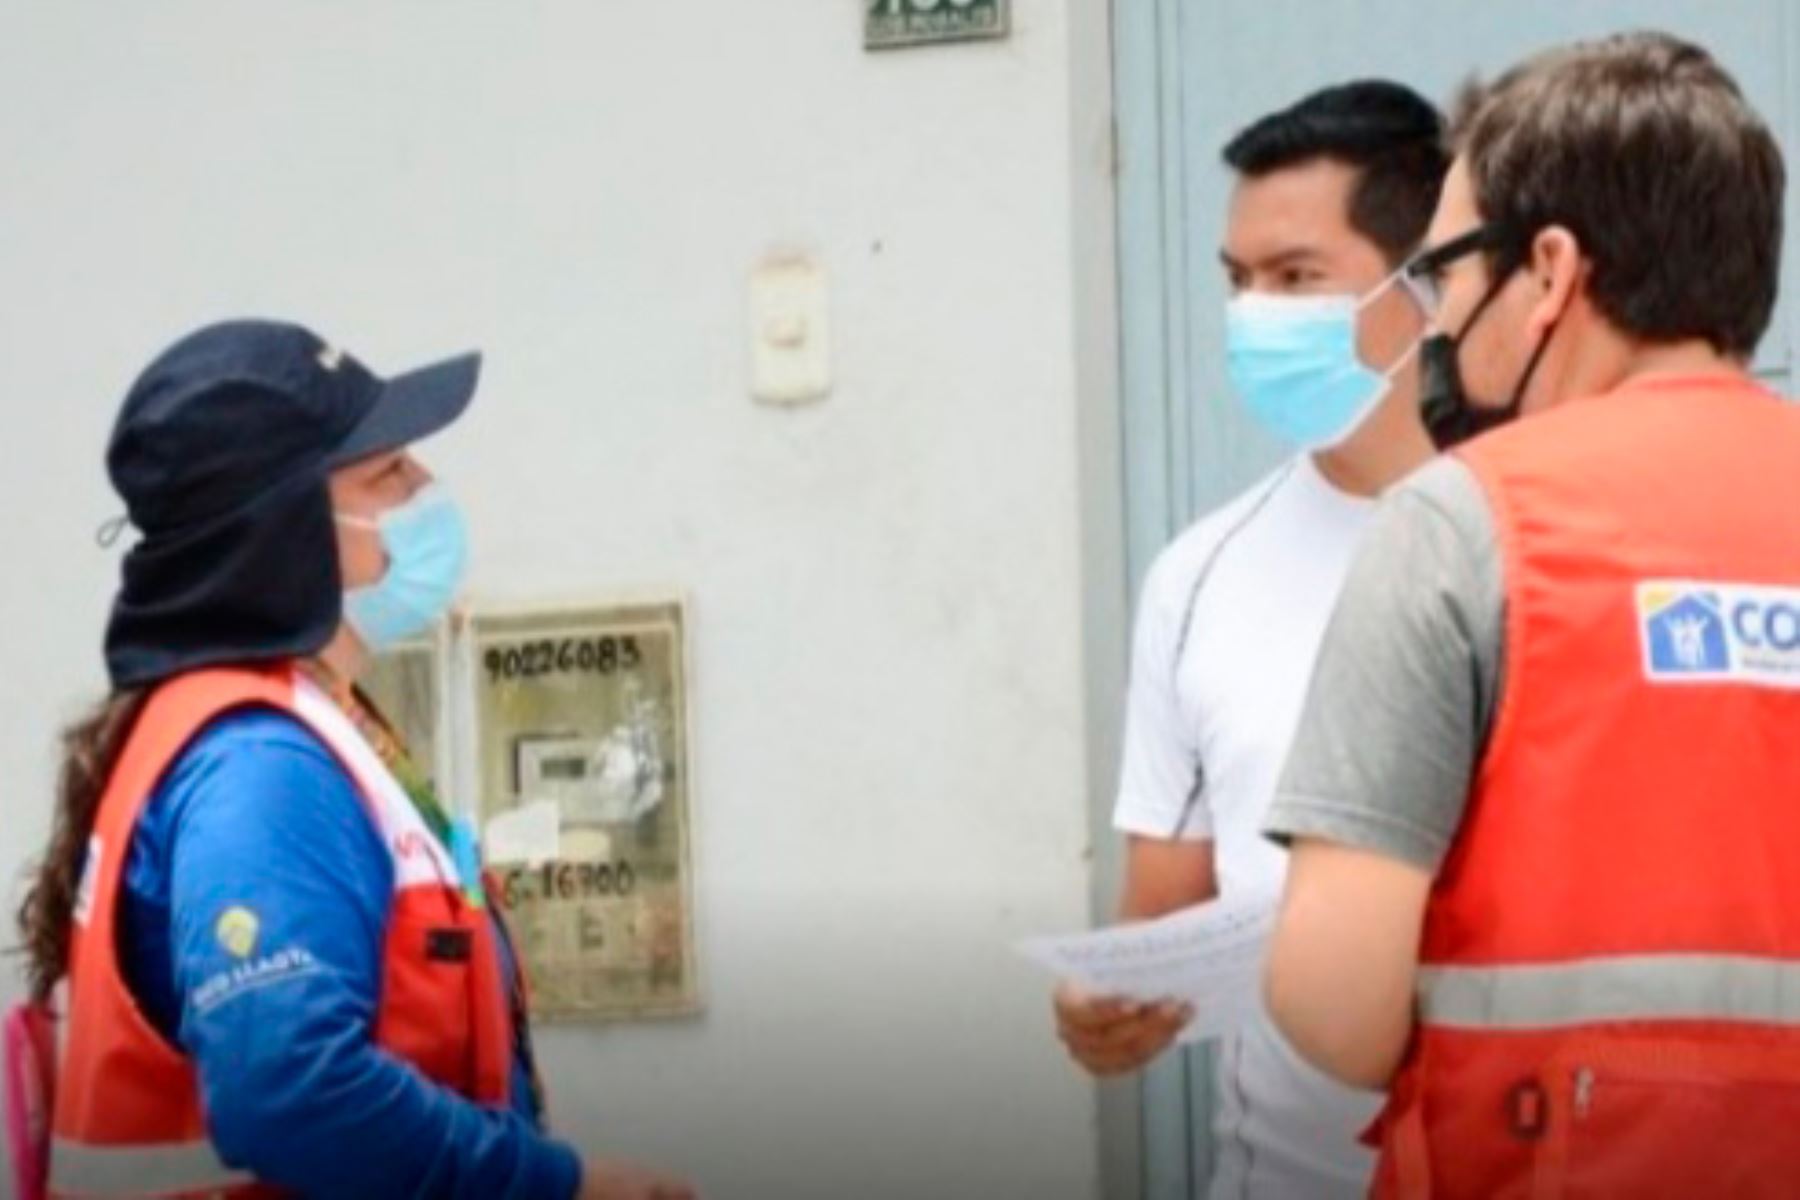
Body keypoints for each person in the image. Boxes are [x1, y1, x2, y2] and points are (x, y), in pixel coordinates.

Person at [1262, 31, 1800, 1198]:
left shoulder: (1461, 526)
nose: (1439, 328)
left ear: (1550, 273)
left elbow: (1332, 1008)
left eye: (1449, 276)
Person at [13, 320, 695, 1200]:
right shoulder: (258, 768)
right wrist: (557, 1186)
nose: (427, 490)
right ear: (283, 529)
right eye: (387, 474)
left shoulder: (315, 726)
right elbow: (294, 1095)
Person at [1052, 82, 1445, 1197]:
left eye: (1296, 279)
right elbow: (1162, 919)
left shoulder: (1534, 544)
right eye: (1238, 282)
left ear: (1424, 291)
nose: (1255, 314)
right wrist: (1107, 1003)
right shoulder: (1198, 578)